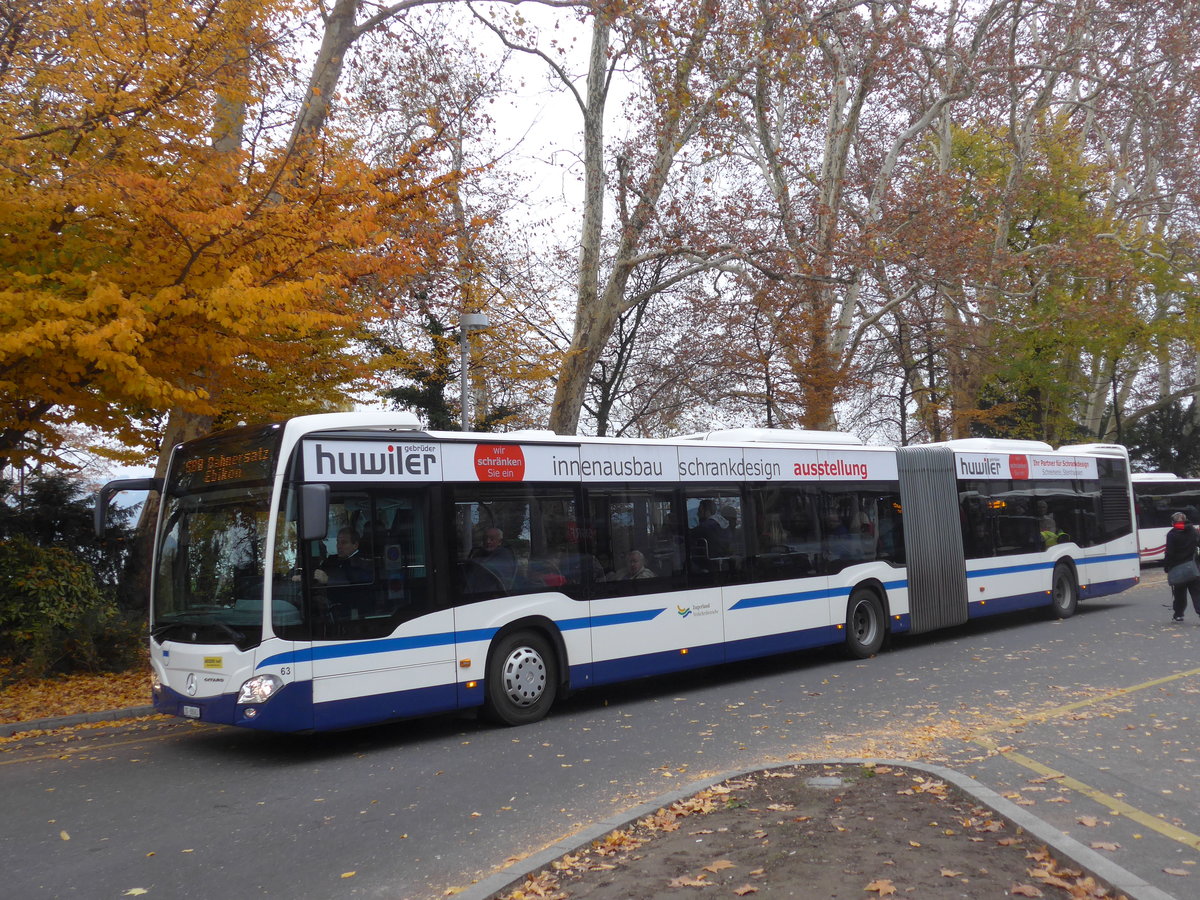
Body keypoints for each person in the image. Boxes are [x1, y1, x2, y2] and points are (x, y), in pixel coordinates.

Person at [1162, 512, 1200, 623]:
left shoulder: (1172, 534)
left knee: (1179, 594)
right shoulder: (1193, 531)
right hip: (1194, 567)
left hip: (1178, 568)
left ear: (1173, 522)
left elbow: (1169, 553)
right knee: (1197, 593)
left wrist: (1167, 567)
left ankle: (1178, 614)